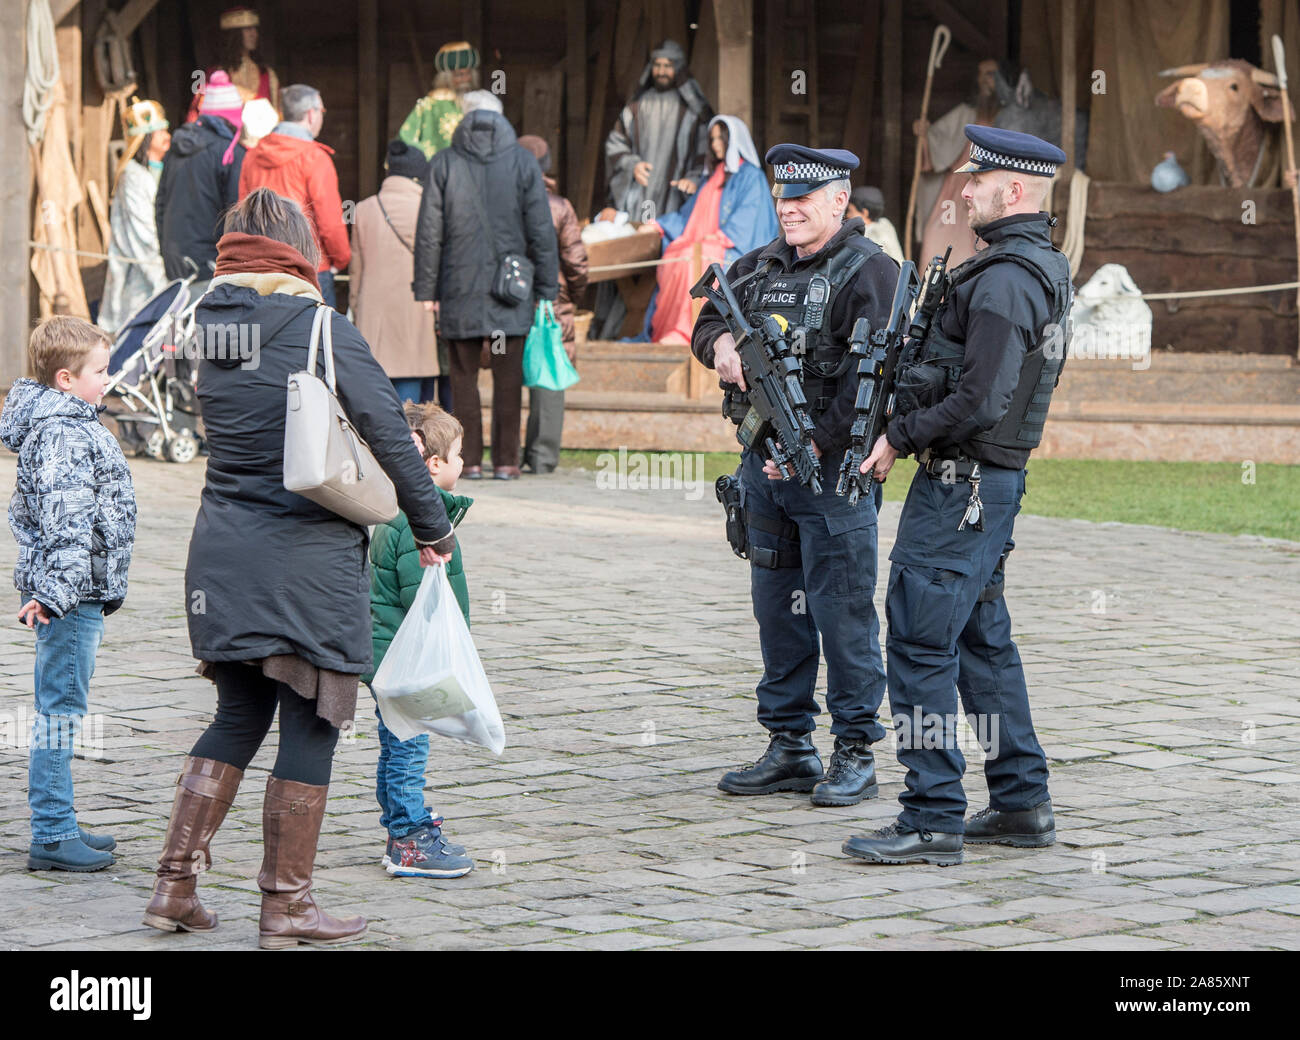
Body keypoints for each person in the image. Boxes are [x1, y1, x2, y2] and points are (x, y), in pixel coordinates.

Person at [142, 189, 456, 948]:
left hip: (220, 551)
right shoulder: (319, 325)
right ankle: (287, 906)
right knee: (314, 719)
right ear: (297, 252)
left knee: (238, 715)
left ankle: (173, 887)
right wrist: (433, 527)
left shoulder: (206, 327)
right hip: (305, 562)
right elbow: (389, 432)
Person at [843, 127, 1071, 867]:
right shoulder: (1028, 265)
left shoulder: (1006, 279)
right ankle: (1020, 801)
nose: (963, 190)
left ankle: (932, 815)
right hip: (983, 490)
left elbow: (979, 399)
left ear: (1013, 190)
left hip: (959, 490)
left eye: (977, 181)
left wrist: (898, 437)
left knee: (916, 644)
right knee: (981, 644)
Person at [690, 145, 897, 807]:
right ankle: (789, 745)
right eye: (784, 197)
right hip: (765, 473)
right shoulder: (755, 267)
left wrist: (814, 441)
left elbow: (877, 379)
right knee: (778, 612)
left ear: (841, 201)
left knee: (842, 615)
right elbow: (707, 319)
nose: (791, 208)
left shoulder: (873, 273)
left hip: (833, 478)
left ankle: (857, 751)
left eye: (806, 198)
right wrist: (721, 342)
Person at [1, 316, 137, 872]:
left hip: (76, 592)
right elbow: (68, 522)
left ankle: (60, 817)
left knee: (63, 706)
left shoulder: (71, 421)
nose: (108, 379)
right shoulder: (63, 431)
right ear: (64, 378)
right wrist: (56, 594)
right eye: (99, 371)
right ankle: (52, 832)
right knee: (59, 710)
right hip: (70, 598)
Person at [412, 101, 558, 481]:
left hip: (458, 291)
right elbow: (542, 230)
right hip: (510, 293)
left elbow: (429, 231)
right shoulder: (524, 163)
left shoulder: (443, 162)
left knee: (463, 382)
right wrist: (546, 288)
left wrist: (427, 289)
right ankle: (507, 462)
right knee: (509, 381)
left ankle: (469, 461)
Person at [365, 402, 475, 878]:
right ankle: (408, 838)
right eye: (458, 454)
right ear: (433, 464)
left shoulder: (400, 513)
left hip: (386, 657)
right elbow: (422, 601)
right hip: (407, 659)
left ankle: (398, 824)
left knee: (395, 746)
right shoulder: (419, 522)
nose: (463, 463)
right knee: (409, 749)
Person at [646, 115, 777, 345]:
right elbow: (687, 217)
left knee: (692, 257)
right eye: (713, 139)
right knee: (675, 253)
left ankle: (687, 331)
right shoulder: (712, 177)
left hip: (737, 252)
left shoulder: (751, 177)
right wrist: (661, 223)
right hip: (706, 244)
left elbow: (747, 222)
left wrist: (715, 238)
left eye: (721, 138)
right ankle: (672, 329)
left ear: (733, 141)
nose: (716, 144)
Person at [351, 140, 449, 410]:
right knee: (416, 410)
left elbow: (356, 275)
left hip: (375, 324)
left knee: (378, 406)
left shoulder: (362, 209)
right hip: (419, 319)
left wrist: (358, 313)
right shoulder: (431, 208)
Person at [238, 84, 349, 309]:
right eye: (321, 112)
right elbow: (330, 223)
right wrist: (341, 258)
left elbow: (242, 217)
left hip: (263, 270)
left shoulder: (252, 156)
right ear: (311, 114)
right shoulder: (315, 158)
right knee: (317, 340)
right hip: (310, 270)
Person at [517, 135, 588, 475]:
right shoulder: (560, 206)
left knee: (510, 375)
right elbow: (576, 262)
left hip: (510, 299)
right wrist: (573, 296)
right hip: (551, 301)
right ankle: (543, 456)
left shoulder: (502, 200)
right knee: (547, 375)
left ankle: (508, 454)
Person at [605, 40, 713, 223]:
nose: (661, 71)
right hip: (641, 192)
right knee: (639, 238)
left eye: (668, 66)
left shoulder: (692, 111)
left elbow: (707, 148)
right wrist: (632, 165)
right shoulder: (635, 107)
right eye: (657, 65)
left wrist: (693, 178)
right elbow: (616, 142)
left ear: (678, 69)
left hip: (676, 194)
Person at [156, 71, 246, 284]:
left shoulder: (175, 148)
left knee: (181, 317)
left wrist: (167, 250)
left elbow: (160, 204)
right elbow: (236, 215)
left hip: (175, 261)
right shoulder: (230, 153)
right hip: (211, 265)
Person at [913, 59, 1003, 267]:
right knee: (936, 236)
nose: (984, 80)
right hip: (956, 187)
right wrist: (925, 134)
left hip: (990, 188)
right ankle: (936, 290)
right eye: (981, 75)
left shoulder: (1010, 115)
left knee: (979, 241)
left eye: (990, 74)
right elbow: (939, 138)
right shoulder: (966, 112)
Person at [98, 98, 170, 333]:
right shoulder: (133, 176)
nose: (167, 135)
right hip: (139, 272)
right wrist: (161, 273)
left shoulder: (162, 168)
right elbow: (143, 230)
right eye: (160, 131)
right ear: (145, 138)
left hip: (160, 264)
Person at [186, 6, 279, 121]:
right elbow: (196, 115)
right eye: (248, 29)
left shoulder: (267, 75)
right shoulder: (211, 75)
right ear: (234, 34)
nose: (254, 34)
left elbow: (277, 116)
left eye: (255, 29)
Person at [398, 41, 480, 159]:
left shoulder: (478, 102)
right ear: (447, 77)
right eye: (458, 75)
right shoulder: (428, 105)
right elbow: (406, 136)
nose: (464, 79)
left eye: (467, 73)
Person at [847, 186, 903, 265]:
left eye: (850, 211)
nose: (847, 215)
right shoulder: (885, 224)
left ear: (864, 213)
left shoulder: (872, 235)